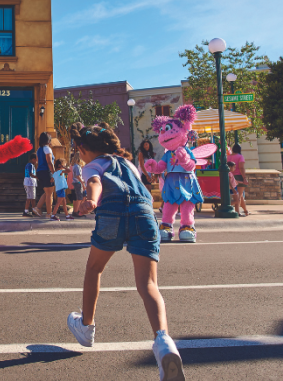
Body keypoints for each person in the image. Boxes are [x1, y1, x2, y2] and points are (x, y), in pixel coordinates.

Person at [66, 122, 184, 381]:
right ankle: (164, 342)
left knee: (95, 268)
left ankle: (86, 327)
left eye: (78, 151)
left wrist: (92, 199)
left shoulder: (92, 165)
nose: (79, 155)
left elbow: (95, 181)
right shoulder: (128, 163)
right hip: (144, 213)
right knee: (148, 283)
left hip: (112, 211)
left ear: (84, 149)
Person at [32, 132, 55, 218]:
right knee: (50, 194)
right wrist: (54, 173)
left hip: (40, 171)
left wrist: (37, 173)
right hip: (46, 171)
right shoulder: (47, 149)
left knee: (47, 192)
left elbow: (37, 162)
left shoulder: (38, 150)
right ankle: (49, 214)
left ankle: (38, 208)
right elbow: (49, 162)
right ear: (48, 140)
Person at [227, 143, 249, 217]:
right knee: (239, 196)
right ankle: (237, 212)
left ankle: (245, 211)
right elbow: (241, 167)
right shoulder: (240, 157)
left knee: (240, 195)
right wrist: (244, 178)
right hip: (239, 176)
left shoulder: (228, 157)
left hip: (231, 175)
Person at [70, 153, 85, 218]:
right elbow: (78, 176)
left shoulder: (74, 166)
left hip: (75, 182)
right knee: (79, 198)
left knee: (77, 198)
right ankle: (77, 211)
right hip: (78, 182)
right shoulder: (77, 166)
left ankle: (75, 211)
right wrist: (82, 182)